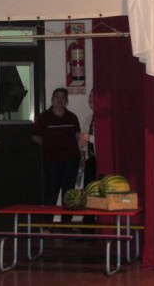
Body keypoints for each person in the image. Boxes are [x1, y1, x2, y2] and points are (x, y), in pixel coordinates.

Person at [32, 87, 81, 223]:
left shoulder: (72, 117)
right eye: (57, 97)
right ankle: (47, 224)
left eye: (63, 97)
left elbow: (77, 136)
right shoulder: (43, 117)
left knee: (68, 194)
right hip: (52, 161)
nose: (60, 100)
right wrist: (49, 145)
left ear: (66, 101)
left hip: (71, 160)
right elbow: (35, 136)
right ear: (52, 99)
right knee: (51, 193)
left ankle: (66, 223)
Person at [78, 89, 97, 230]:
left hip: (101, 159)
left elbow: (105, 139)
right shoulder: (88, 118)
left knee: (98, 193)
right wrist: (82, 145)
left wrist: (89, 138)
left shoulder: (104, 119)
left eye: (93, 96)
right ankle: (87, 226)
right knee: (88, 192)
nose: (91, 99)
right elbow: (84, 143)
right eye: (90, 96)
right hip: (91, 160)